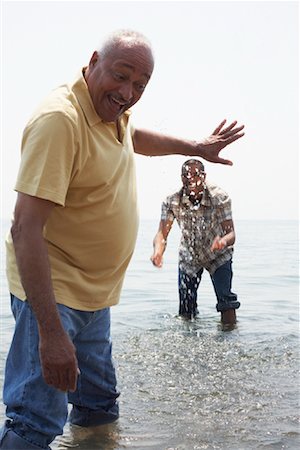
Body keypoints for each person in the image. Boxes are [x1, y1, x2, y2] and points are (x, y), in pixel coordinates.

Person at [0, 29, 244, 450]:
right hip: (55, 295)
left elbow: (134, 137)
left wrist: (195, 146)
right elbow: (25, 228)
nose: (128, 92)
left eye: (140, 85)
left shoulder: (111, 111)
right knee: (33, 423)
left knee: (98, 410)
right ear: (93, 62)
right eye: (121, 76)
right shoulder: (61, 120)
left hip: (95, 298)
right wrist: (52, 335)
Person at [151, 159, 240, 323]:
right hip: (189, 256)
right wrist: (158, 251)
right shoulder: (172, 200)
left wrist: (222, 241)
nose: (189, 178)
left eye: (194, 174)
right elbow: (162, 234)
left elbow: (231, 234)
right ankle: (187, 344)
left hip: (218, 255)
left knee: (226, 301)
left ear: (203, 176)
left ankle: (230, 339)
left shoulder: (219, 197)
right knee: (186, 308)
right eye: (185, 175)